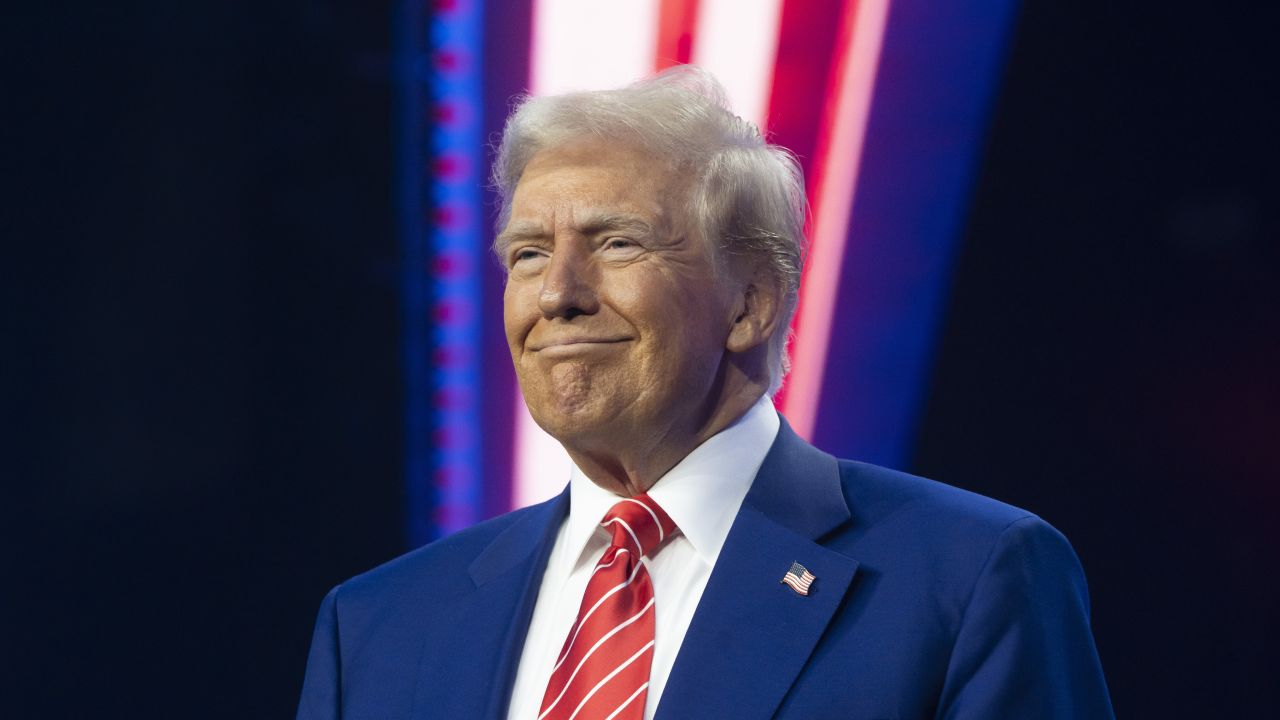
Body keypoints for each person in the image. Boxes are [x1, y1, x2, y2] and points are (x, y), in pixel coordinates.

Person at [296, 67, 1114, 720]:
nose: (558, 295)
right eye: (529, 254)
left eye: (617, 242)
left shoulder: (967, 579)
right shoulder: (378, 627)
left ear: (751, 301)